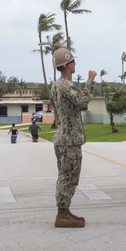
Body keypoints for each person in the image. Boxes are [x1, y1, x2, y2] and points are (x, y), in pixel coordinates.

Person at [49, 47, 96, 229]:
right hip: (69, 140)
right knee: (68, 177)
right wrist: (90, 80)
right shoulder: (66, 86)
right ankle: (62, 214)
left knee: (65, 176)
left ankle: (65, 211)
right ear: (67, 65)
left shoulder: (55, 86)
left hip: (63, 138)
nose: (75, 64)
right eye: (73, 62)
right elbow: (82, 101)